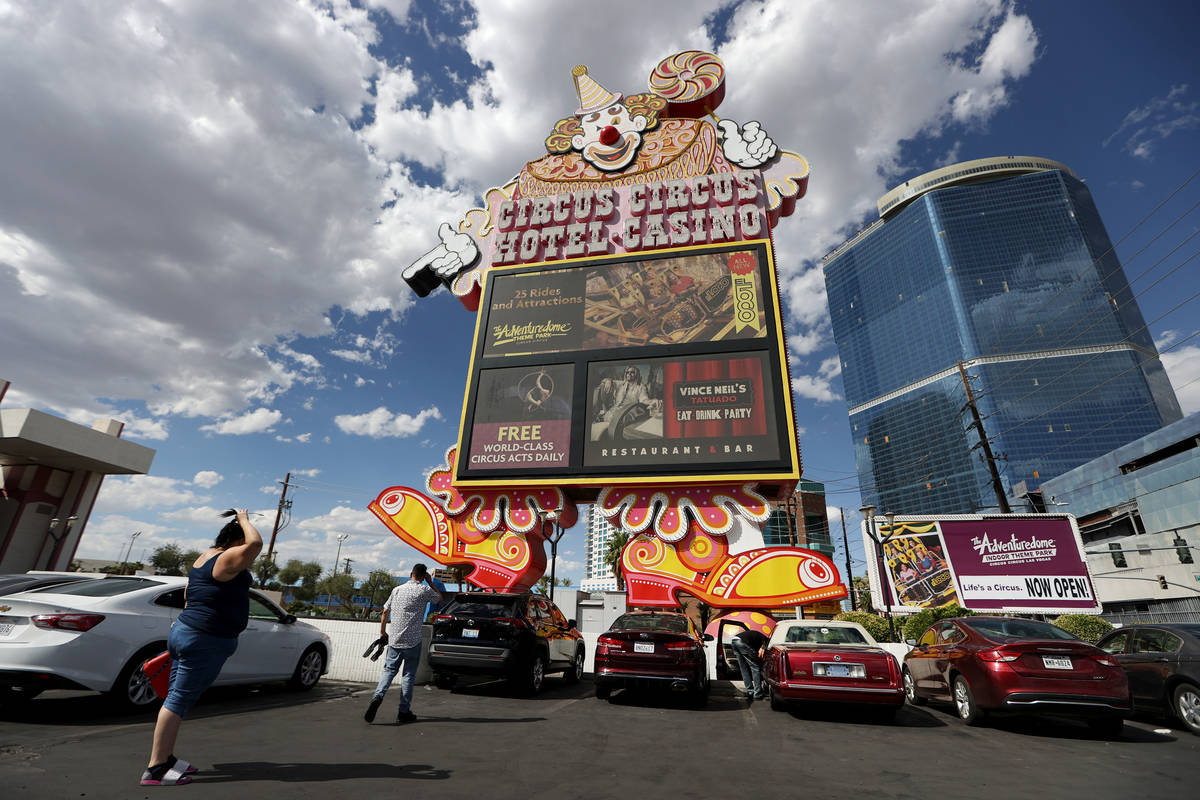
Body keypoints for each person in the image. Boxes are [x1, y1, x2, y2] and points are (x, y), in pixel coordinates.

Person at [141, 509, 262, 786]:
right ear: (237, 540)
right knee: (178, 700)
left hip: (188, 631)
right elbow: (255, 544)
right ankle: (156, 769)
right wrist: (244, 518)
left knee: (175, 697)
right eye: (242, 542)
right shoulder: (227, 557)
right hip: (204, 638)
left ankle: (166, 758)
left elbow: (188, 594)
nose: (249, 554)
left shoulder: (204, 558)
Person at [365, 563, 446, 724]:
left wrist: (382, 631)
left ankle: (377, 697)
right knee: (408, 676)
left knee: (389, 671)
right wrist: (430, 583)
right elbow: (440, 599)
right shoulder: (424, 590)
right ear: (423, 577)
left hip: (394, 640)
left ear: (411, 574)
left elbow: (385, 611)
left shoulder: (397, 590)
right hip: (413, 641)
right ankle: (403, 711)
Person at [730, 627, 769, 700]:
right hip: (742, 642)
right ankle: (758, 693)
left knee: (743, 668)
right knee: (755, 667)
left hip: (734, 641)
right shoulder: (766, 640)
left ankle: (750, 691)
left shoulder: (755, 638)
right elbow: (761, 651)